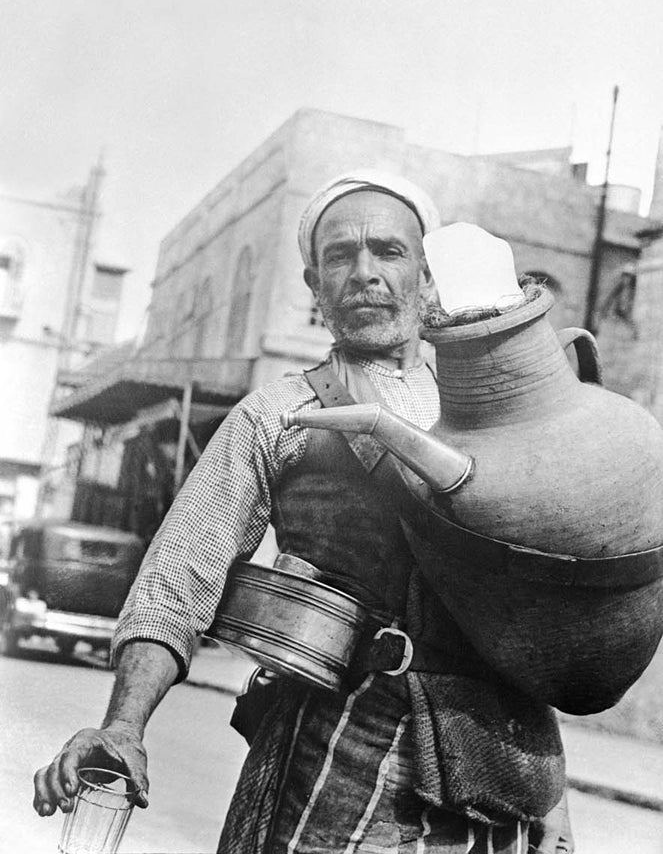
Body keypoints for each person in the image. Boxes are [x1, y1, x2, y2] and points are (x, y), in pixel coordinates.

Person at [34, 171, 573, 853]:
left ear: (427, 277)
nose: (364, 272)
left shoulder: (491, 414)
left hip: (492, 769)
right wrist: (123, 726)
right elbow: (180, 576)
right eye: (340, 256)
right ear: (314, 286)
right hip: (338, 754)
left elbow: (535, 621)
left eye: (388, 251)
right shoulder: (278, 416)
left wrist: (554, 797)